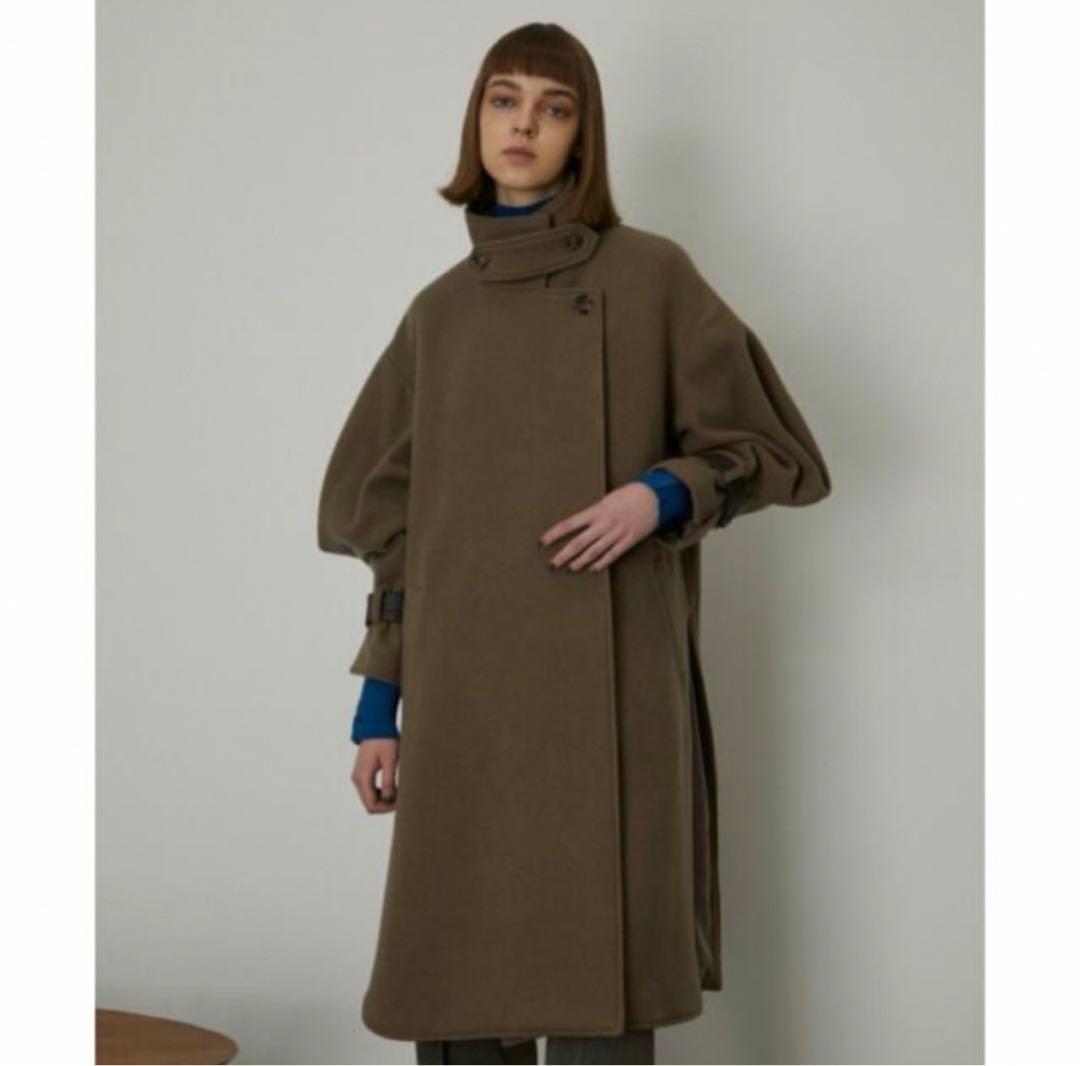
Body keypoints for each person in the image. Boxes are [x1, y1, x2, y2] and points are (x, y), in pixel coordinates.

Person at [316, 22, 831, 1066]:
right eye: (504, 100)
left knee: (601, 1000)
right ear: (476, 120)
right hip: (464, 698)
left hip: (612, 691)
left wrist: (660, 493)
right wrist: (379, 705)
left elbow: (775, 451)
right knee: (461, 992)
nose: (525, 125)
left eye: (555, 108)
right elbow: (391, 525)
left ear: (584, 137)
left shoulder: (652, 277)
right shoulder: (439, 315)